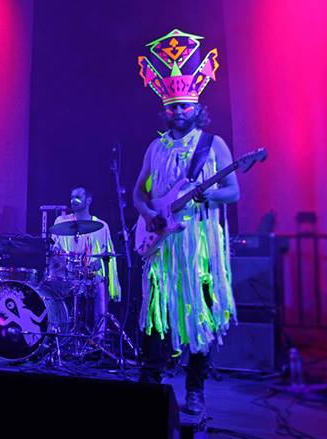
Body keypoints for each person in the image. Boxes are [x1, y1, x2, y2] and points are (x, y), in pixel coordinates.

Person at [133, 29, 239, 415]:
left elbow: (233, 191)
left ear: (196, 107)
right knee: (155, 311)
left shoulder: (213, 145)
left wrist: (208, 195)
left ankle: (195, 389)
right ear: (165, 109)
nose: (179, 112)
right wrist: (149, 215)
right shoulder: (155, 147)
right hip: (161, 242)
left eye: (185, 106)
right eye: (173, 107)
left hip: (198, 246)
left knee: (200, 313)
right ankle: (149, 381)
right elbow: (139, 192)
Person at [49, 187, 121, 336]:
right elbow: (54, 252)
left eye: (77, 197)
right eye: (71, 197)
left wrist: (98, 262)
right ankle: (59, 331)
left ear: (88, 200)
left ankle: (98, 336)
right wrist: (63, 265)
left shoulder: (102, 226)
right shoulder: (61, 222)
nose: (73, 200)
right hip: (66, 275)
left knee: (100, 284)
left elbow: (107, 254)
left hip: (89, 275)